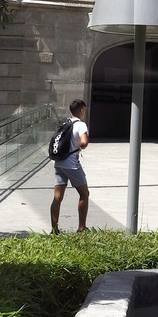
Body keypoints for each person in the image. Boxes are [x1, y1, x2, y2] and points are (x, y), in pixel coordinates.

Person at [50, 99, 90, 233]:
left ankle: (54, 229)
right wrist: (79, 145)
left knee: (57, 197)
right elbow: (84, 143)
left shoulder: (65, 123)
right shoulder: (81, 125)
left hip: (59, 163)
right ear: (82, 110)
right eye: (84, 110)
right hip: (71, 164)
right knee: (84, 194)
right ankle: (82, 228)